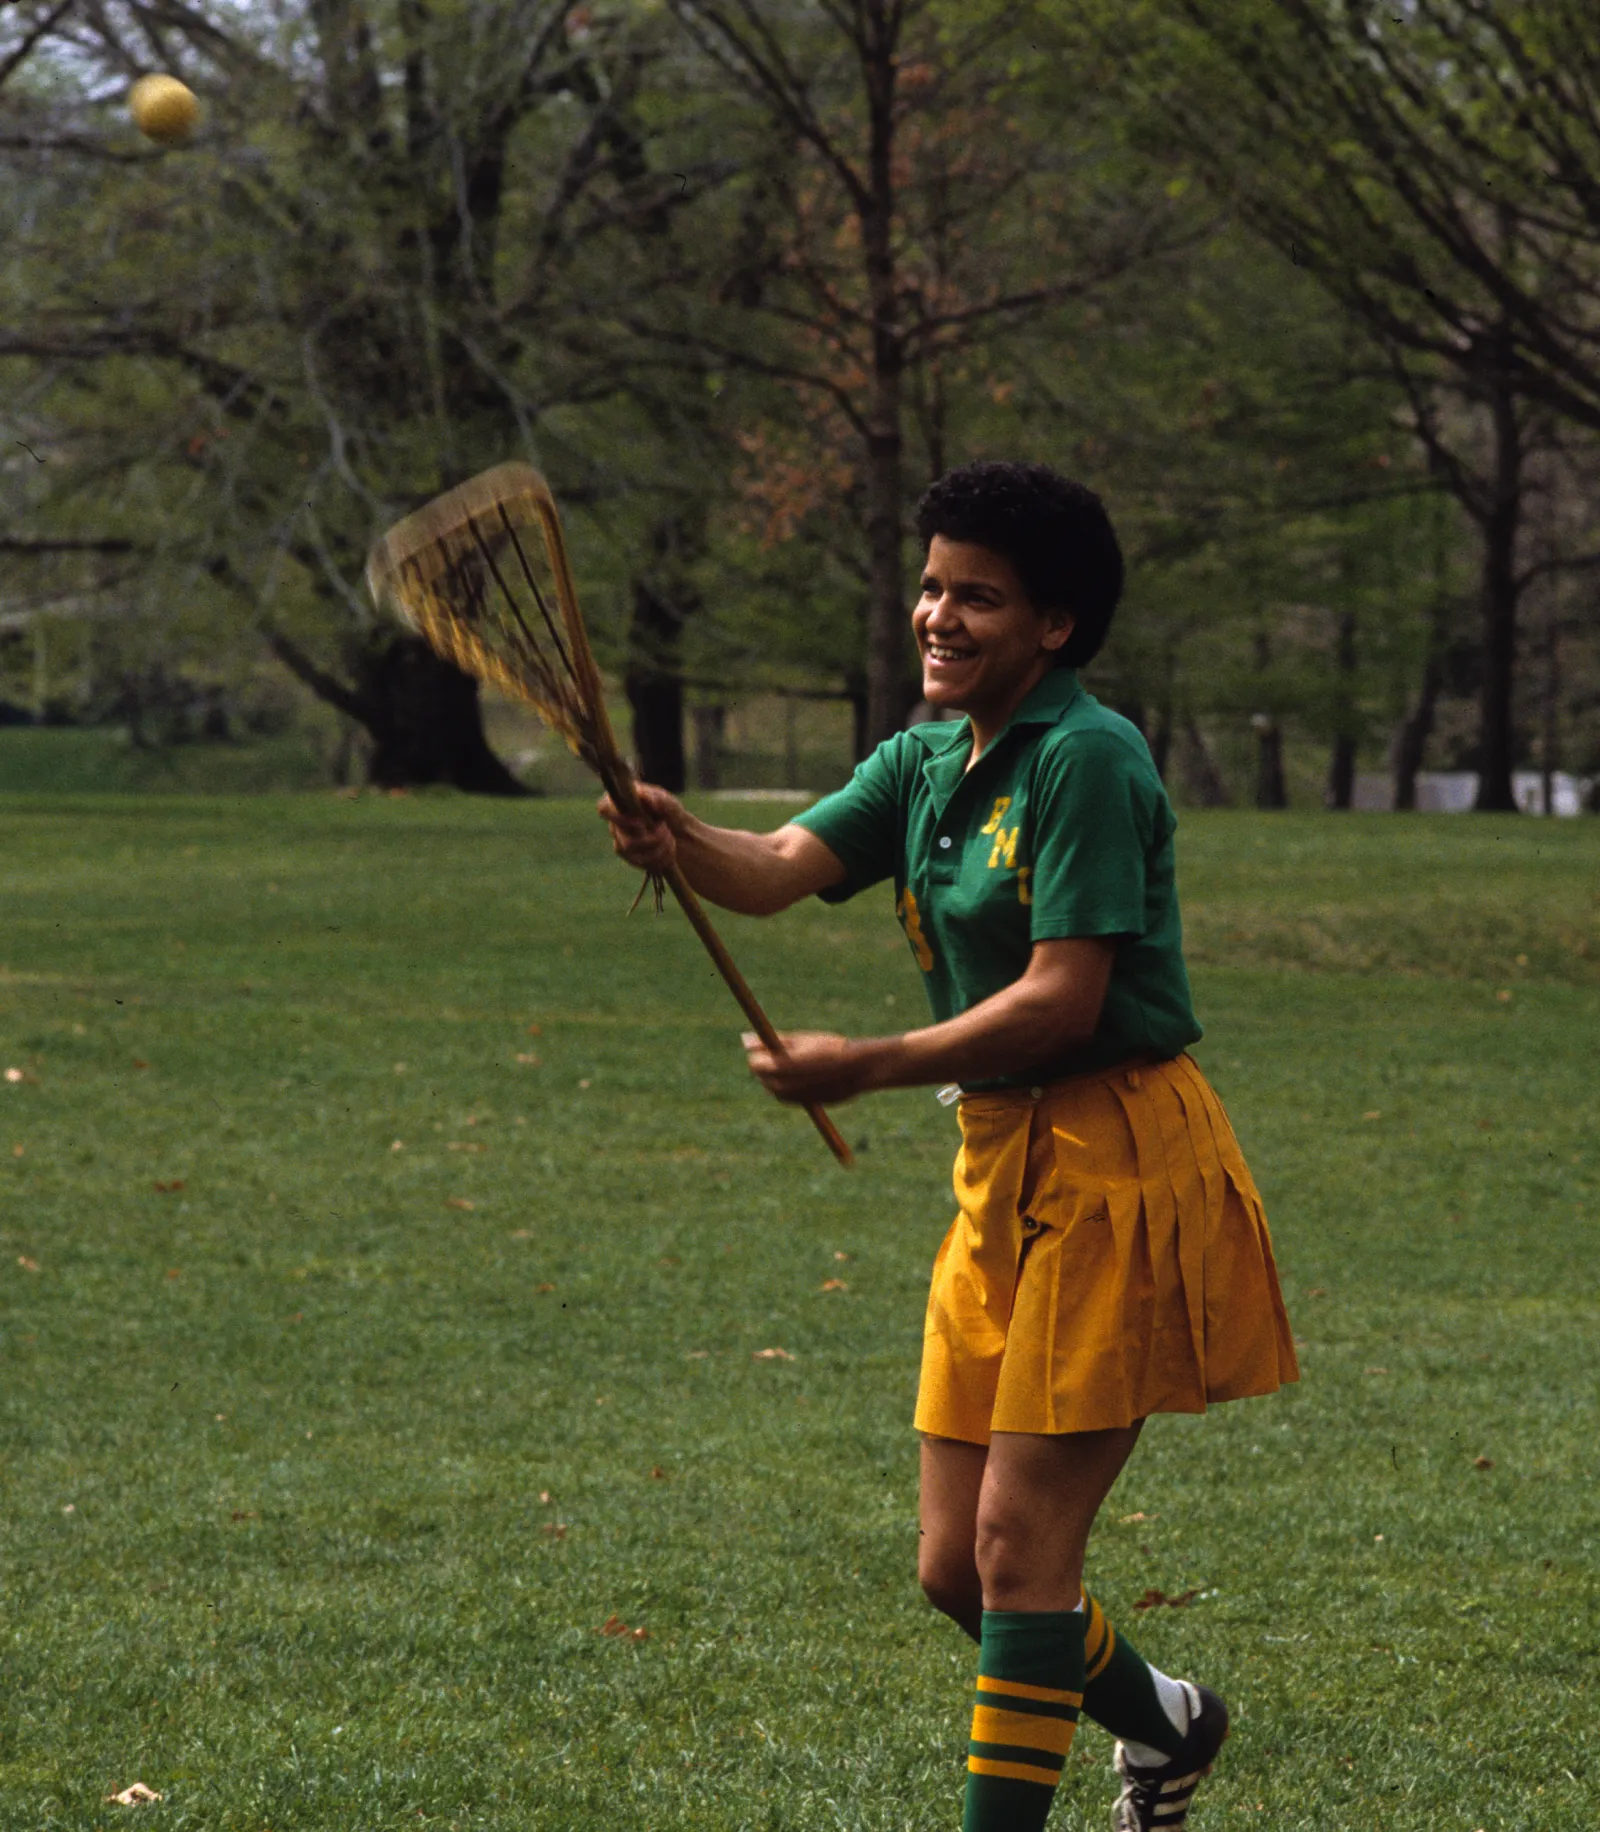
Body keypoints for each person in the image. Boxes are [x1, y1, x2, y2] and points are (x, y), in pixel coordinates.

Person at [599, 459, 1298, 1832]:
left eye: (977, 596)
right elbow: (780, 866)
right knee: (953, 1572)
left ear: (1054, 625)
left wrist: (864, 1065)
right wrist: (678, 838)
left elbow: (1063, 1001)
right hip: (998, 1169)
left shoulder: (1092, 759)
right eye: (930, 586)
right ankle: (1167, 1722)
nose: (938, 616)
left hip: (1119, 1168)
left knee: (1020, 1551)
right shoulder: (924, 759)